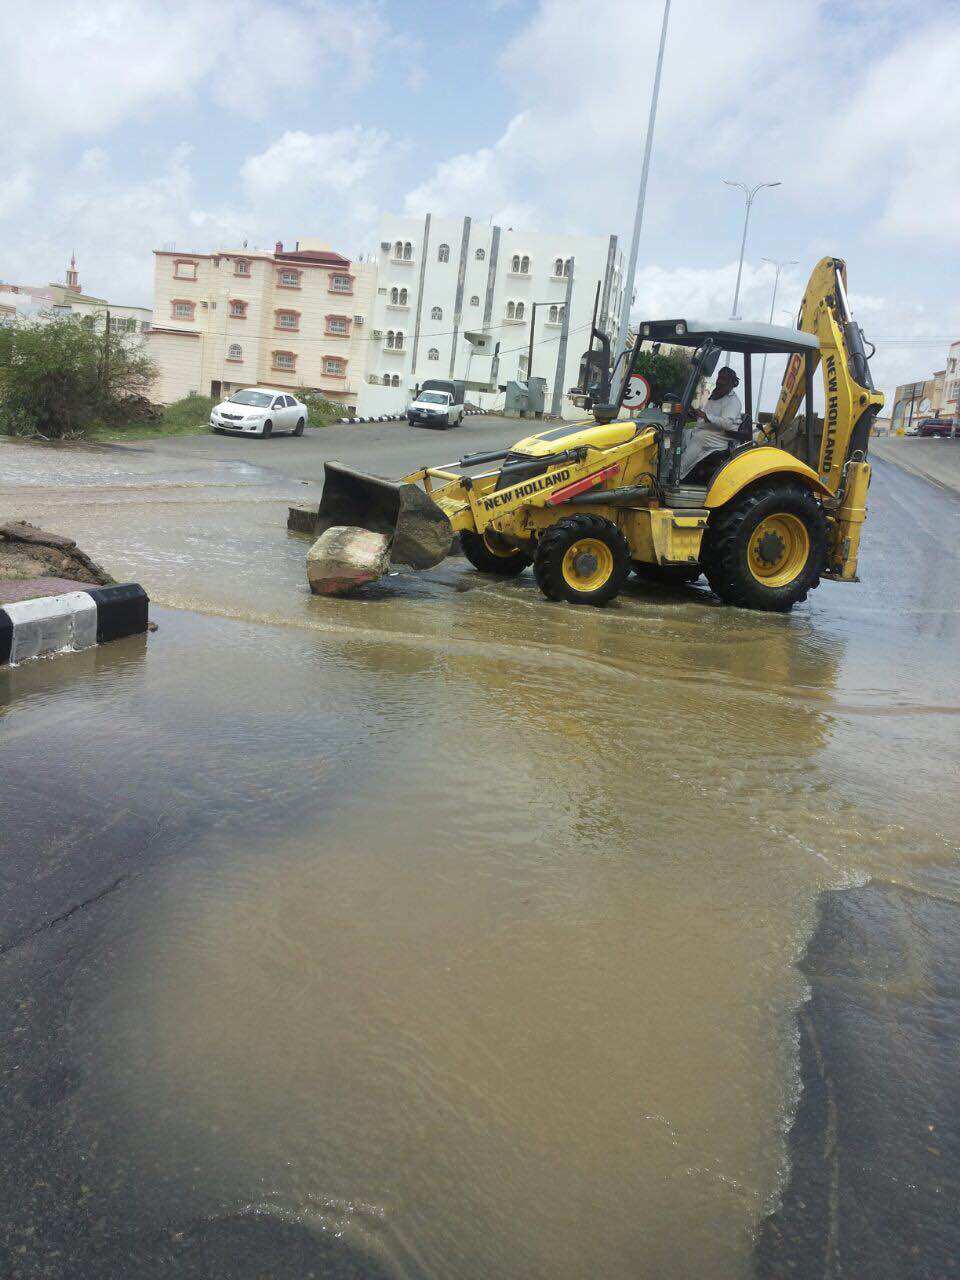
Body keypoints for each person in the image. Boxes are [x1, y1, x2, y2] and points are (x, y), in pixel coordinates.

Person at [680, 366, 743, 479]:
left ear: (730, 382)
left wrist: (705, 416)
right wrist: (694, 414)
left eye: (723, 379)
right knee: (684, 430)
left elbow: (726, 424)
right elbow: (705, 416)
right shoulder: (715, 396)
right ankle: (674, 467)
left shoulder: (733, 401)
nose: (719, 381)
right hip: (709, 430)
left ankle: (679, 471)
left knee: (700, 437)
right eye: (719, 378)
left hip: (722, 436)